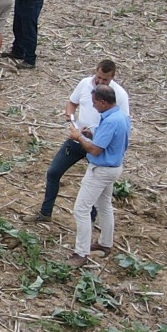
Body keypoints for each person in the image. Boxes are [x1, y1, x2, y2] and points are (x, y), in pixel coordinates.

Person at [39, 60, 129, 221]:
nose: (100, 82)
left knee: (95, 186)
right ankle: (45, 212)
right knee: (53, 172)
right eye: (99, 78)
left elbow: (124, 123)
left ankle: (90, 219)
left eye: (105, 80)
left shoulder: (119, 95)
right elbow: (72, 103)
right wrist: (71, 118)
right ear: (95, 71)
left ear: (112, 77)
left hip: (98, 145)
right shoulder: (84, 84)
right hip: (78, 139)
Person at [69, 85, 130, 261]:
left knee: (81, 209)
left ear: (103, 102)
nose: (93, 106)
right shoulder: (122, 117)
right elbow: (113, 140)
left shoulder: (110, 121)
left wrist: (79, 137)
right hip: (114, 167)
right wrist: (93, 134)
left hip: (101, 170)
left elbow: (95, 150)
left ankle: (81, 253)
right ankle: (105, 243)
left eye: (95, 102)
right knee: (104, 205)